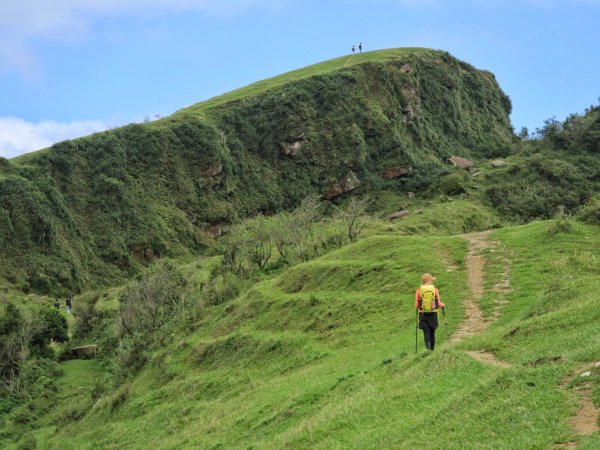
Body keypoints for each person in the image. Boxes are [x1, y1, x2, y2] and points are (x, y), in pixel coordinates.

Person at [415, 273, 445, 351]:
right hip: (433, 314)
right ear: (430, 281)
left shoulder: (419, 291)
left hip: (423, 314)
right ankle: (432, 350)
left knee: (426, 333)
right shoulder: (435, 290)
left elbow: (416, 305)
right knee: (432, 333)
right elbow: (438, 303)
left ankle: (428, 350)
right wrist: (442, 305)